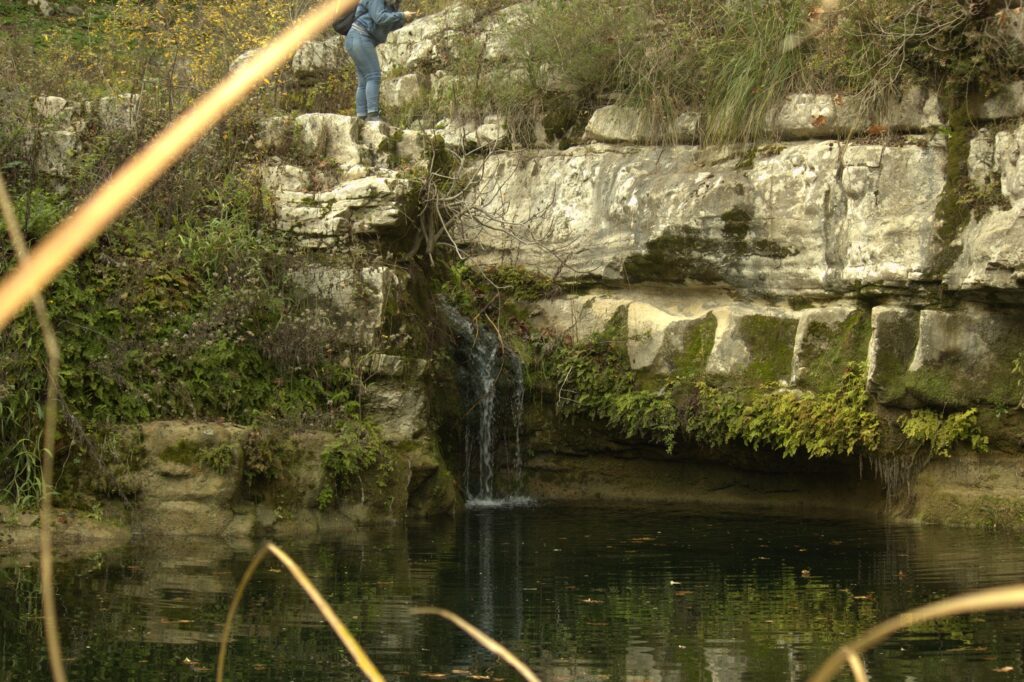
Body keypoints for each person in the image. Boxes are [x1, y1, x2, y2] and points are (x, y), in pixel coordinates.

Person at [344, 0, 418, 122]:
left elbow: (385, 24)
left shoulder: (389, 4)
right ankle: (373, 116)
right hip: (360, 37)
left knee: (364, 80)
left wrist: (403, 19)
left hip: (355, 38)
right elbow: (380, 18)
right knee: (373, 76)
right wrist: (401, 15)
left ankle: (361, 117)